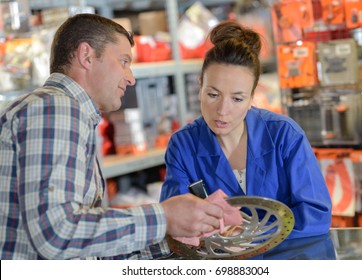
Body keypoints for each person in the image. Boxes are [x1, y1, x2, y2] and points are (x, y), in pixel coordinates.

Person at [0, 13, 224, 260]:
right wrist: (163, 217)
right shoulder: (56, 108)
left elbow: (84, 248)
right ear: (86, 56)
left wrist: (175, 241)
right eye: (124, 61)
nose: (131, 78)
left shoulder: (68, 114)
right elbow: (56, 233)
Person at [160, 21, 332, 239]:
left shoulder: (284, 135)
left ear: (252, 97)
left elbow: (316, 215)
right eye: (213, 94)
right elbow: (175, 223)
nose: (222, 110)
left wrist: (249, 237)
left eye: (237, 99)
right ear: (200, 86)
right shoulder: (184, 145)